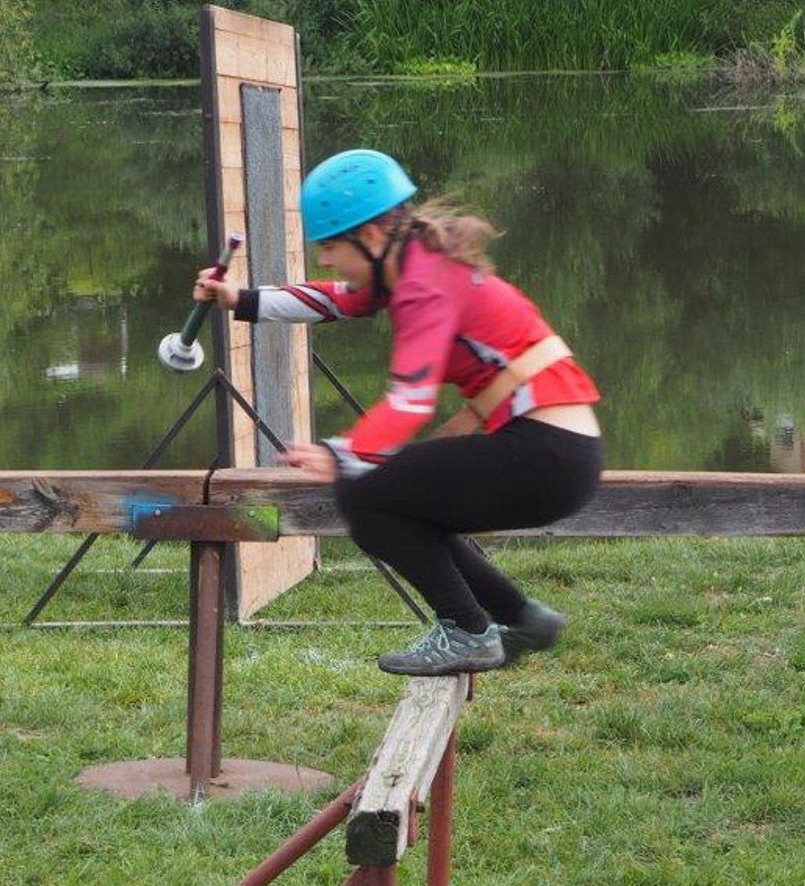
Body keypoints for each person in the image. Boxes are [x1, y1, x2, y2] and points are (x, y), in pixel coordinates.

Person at [194, 148, 603, 676]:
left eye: (330, 246)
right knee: (405, 504)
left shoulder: (422, 287)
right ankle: (523, 619)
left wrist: (340, 454)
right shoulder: (415, 265)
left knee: (365, 497)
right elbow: (334, 299)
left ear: (369, 236)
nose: (325, 260)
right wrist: (240, 299)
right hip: (559, 455)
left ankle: (467, 630)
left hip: (545, 454)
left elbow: (410, 402)